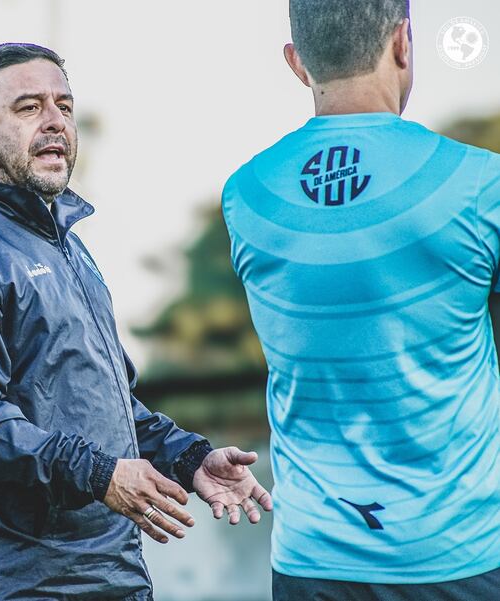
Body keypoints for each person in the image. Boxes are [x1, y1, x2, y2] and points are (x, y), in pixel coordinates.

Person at [0, 43, 272, 601]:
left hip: (108, 576)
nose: (54, 122)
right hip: (5, 583)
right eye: (28, 108)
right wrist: (100, 475)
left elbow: (108, 409)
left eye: (64, 106)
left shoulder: (71, 250)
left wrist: (191, 458)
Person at [222, 1, 500, 599]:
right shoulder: (480, 184)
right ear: (403, 43)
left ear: (297, 63)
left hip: (310, 561)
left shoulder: (246, 196)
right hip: (457, 559)